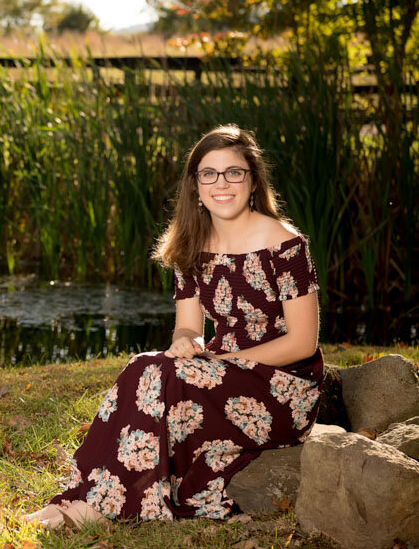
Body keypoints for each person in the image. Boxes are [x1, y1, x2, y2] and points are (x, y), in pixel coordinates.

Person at [24, 124, 324, 529]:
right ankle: (83, 494)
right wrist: (187, 344)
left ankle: (105, 506)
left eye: (234, 172)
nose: (221, 183)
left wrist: (224, 360)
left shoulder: (285, 244)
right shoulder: (191, 243)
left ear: (253, 181)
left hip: (282, 385)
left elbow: (304, 342)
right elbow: (188, 327)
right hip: (219, 371)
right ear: (195, 186)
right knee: (143, 366)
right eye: (209, 173)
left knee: (162, 375)